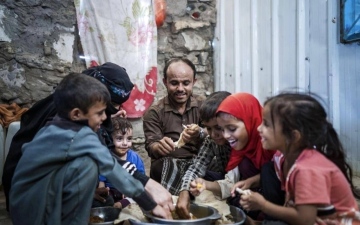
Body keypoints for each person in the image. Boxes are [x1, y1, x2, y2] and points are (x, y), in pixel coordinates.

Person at [2, 62, 172, 212]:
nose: (107, 115)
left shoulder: (70, 115)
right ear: (78, 112)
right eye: (104, 109)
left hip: (32, 195)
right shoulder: (71, 128)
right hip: (36, 201)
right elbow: (106, 160)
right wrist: (149, 196)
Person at [238, 92, 359, 225]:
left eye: (266, 124)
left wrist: (263, 205)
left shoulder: (308, 169)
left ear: (294, 136)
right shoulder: (286, 159)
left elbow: (305, 220)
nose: (259, 128)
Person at [189, 92, 275, 219]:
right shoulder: (240, 147)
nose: (225, 135)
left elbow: (277, 176)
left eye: (231, 129)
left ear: (250, 120)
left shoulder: (272, 146)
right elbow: (231, 180)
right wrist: (200, 185)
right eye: (223, 129)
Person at [143, 58, 206, 195]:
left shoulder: (203, 106)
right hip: (168, 164)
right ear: (165, 82)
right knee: (165, 166)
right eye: (174, 83)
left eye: (186, 83)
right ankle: (174, 200)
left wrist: (200, 133)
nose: (180, 89)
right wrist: (159, 146)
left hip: (198, 162)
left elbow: (215, 135)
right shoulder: (154, 112)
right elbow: (151, 145)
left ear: (194, 82)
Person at [176, 91, 232, 219]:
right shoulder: (211, 140)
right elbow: (196, 167)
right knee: (190, 176)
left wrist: (207, 185)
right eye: (209, 129)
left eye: (218, 127)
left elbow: (238, 181)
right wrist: (184, 192)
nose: (213, 135)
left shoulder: (237, 140)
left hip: (241, 184)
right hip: (225, 179)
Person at [93, 117, 146, 209]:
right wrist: (104, 191)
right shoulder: (106, 156)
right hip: (111, 191)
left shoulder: (135, 158)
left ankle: (123, 203)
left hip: (129, 191)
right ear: (110, 139)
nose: (125, 143)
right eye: (119, 139)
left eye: (129, 139)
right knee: (106, 200)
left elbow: (141, 180)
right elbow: (102, 181)